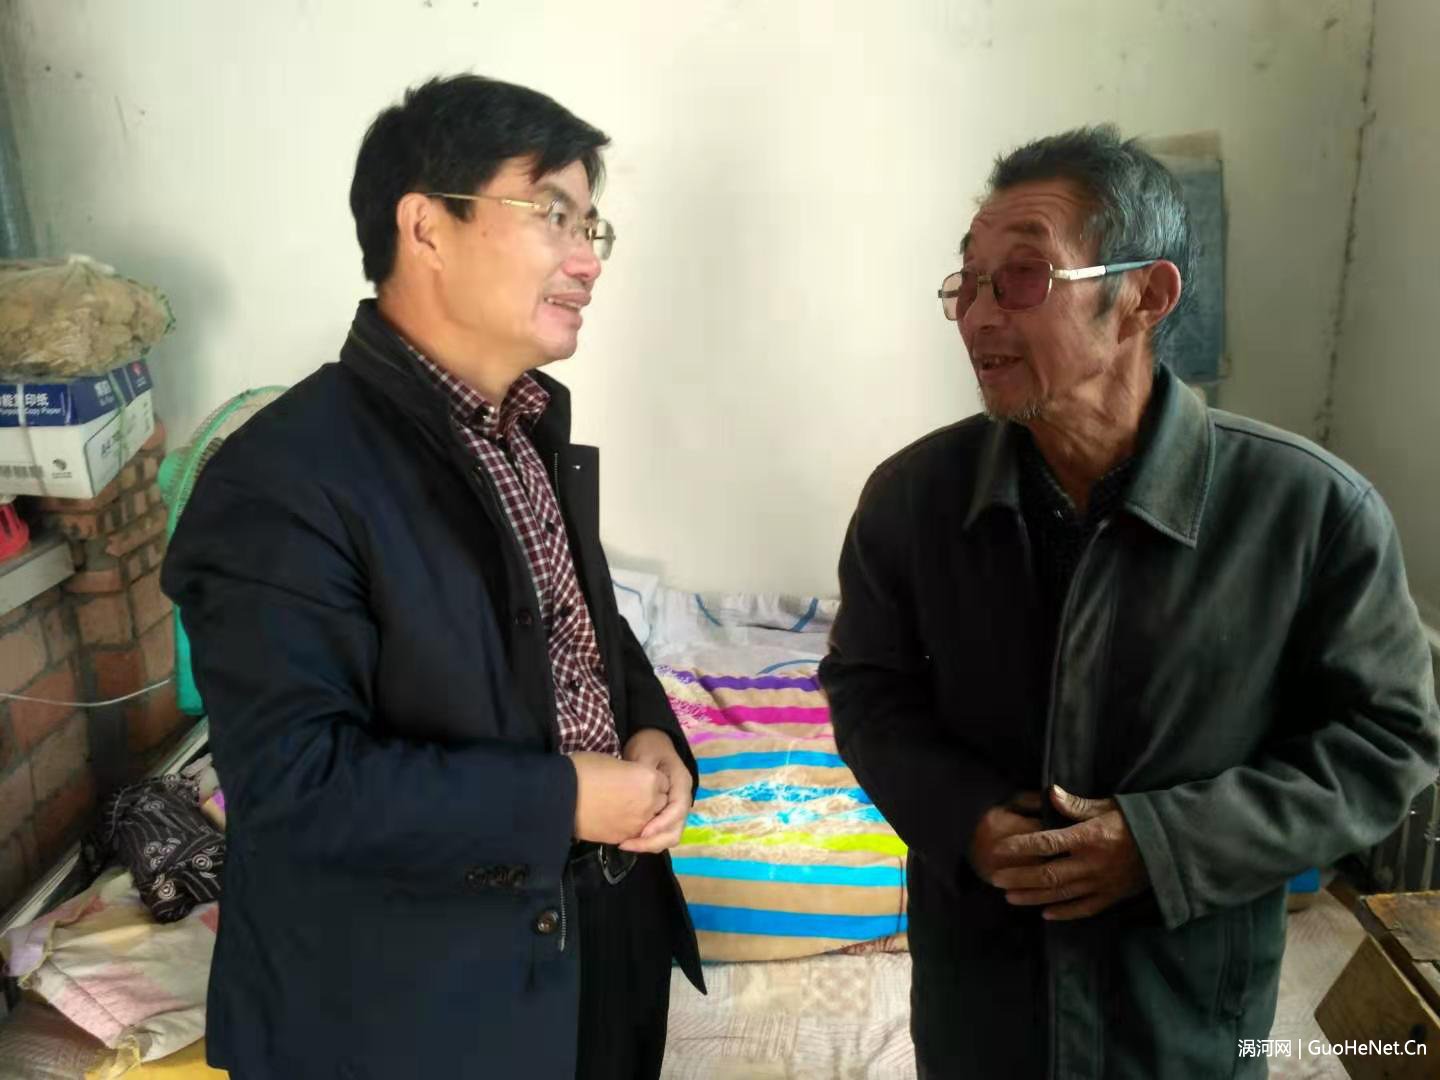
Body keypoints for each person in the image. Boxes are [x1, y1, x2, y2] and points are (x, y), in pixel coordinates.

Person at [818, 125, 1440, 1079]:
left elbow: (1385, 741)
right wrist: (966, 818)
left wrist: (1163, 846)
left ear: (1145, 297)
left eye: (1021, 278)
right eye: (967, 282)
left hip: (1186, 1017)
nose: (977, 317)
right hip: (982, 1009)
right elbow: (867, 688)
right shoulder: (912, 500)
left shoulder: (1308, 511)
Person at [162, 75, 704, 1080]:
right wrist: (562, 801)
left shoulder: (523, 427)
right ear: (426, 227)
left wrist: (650, 733)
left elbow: (580, 628)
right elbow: (296, 786)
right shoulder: (283, 478)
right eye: (553, 214)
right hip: (421, 1012)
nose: (588, 259)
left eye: (593, 226)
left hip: (600, 949)